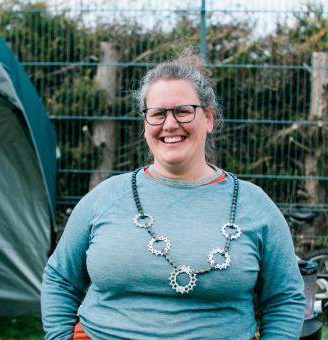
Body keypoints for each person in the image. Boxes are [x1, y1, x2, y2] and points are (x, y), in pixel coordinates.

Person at [41, 49, 305, 339]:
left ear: (209, 119)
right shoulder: (104, 197)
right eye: (157, 114)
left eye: (183, 111)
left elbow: (285, 298)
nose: (169, 124)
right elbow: (59, 279)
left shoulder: (254, 205)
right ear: (145, 125)